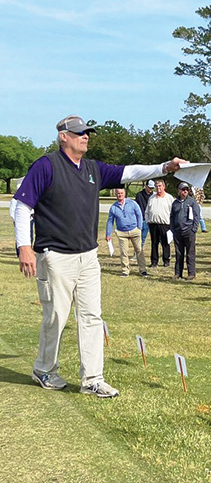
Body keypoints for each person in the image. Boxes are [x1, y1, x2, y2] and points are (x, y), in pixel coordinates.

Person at [15, 114, 184, 397]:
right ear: (63, 137)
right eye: (80, 133)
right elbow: (22, 206)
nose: (86, 136)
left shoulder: (93, 168)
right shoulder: (46, 166)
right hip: (55, 256)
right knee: (56, 316)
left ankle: (92, 378)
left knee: (92, 316)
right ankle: (44, 369)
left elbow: (129, 172)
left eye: (87, 133)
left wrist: (164, 167)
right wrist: (24, 246)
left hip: (88, 257)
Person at [105, 188, 147, 278]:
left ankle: (143, 270)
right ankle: (125, 271)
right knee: (124, 252)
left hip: (134, 230)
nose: (120, 195)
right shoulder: (113, 207)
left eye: (121, 193)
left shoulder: (132, 203)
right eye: (118, 193)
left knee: (139, 250)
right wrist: (108, 234)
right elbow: (110, 221)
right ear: (116, 195)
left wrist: (139, 227)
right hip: (122, 232)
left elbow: (139, 214)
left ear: (124, 193)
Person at [170, 182, 201, 280]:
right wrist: (173, 229)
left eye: (186, 190)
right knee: (179, 253)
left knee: (190, 253)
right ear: (179, 191)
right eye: (183, 190)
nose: (185, 192)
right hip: (178, 231)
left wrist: (194, 229)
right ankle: (178, 273)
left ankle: (191, 273)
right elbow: (172, 216)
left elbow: (197, 216)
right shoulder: (175, 203)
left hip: (189, 231)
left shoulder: (192, 202)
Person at [144, 179, 174, 268]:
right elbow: (147, 211)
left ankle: (166, 260)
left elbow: (173, 212)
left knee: (165, 243)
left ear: (164, 187)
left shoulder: (169, 198)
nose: (158, 188)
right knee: (154, 243)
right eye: (157, 186)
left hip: (165, 224)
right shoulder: (152, 198)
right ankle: (154, 261)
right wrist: (148, 220)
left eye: (160, 186)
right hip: (153, 224)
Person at [135, 179, 154, 244]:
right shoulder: (139, 195)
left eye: (152, 188)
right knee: (138, 238)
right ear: (146, 186)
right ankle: (137, 253)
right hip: (140, 220)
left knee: (144, 238)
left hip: (149, 220)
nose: (151, 189)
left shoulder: (154, 196)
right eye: (150, 187)